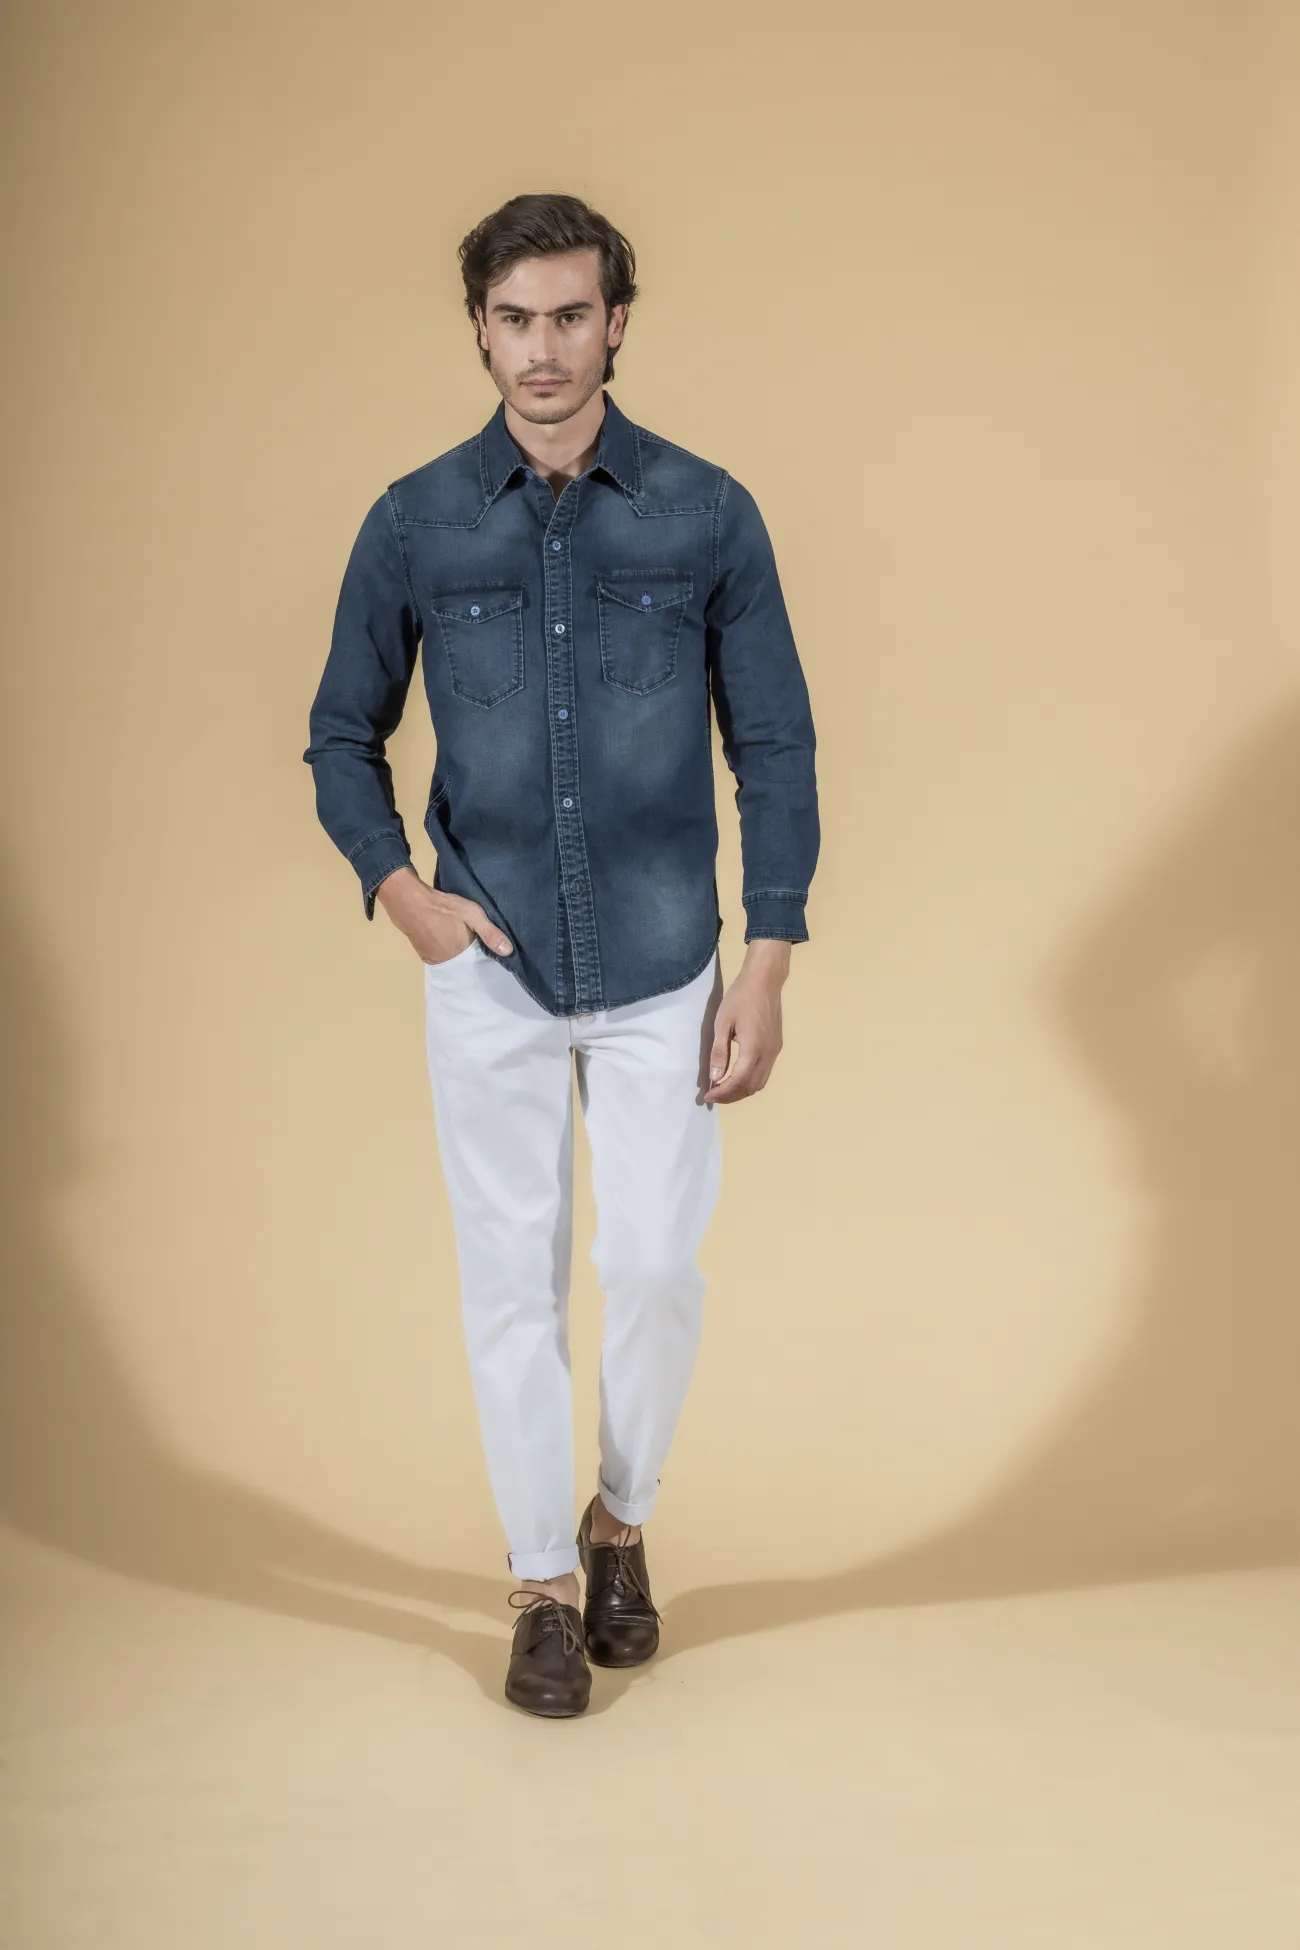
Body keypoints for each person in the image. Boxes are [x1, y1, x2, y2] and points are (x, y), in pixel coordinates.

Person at [303, 192, 820, 1717]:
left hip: (666, 961)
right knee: (509, 1281)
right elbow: (340, 734)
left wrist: (770, 956)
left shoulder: (706, 513)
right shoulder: (416, 521)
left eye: (571, 316)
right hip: (492, 959)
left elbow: (776, 742)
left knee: (654, 1262)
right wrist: (401, 892)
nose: (544, 349)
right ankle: (540, 1582)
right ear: (479, 328)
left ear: (617, 323)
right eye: (516, 319)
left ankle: (621, 1523)